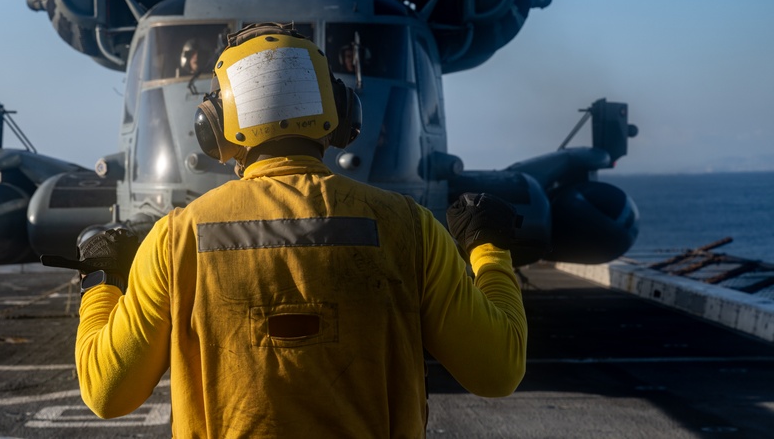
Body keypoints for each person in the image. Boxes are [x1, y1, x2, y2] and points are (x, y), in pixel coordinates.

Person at [74, 22, 527, 438]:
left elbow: (107, 394)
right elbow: (498, 371)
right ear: (342, 113)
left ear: (214, 127)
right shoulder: (410, 226)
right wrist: (488, 249)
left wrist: (101, 278)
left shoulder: (177, 238)